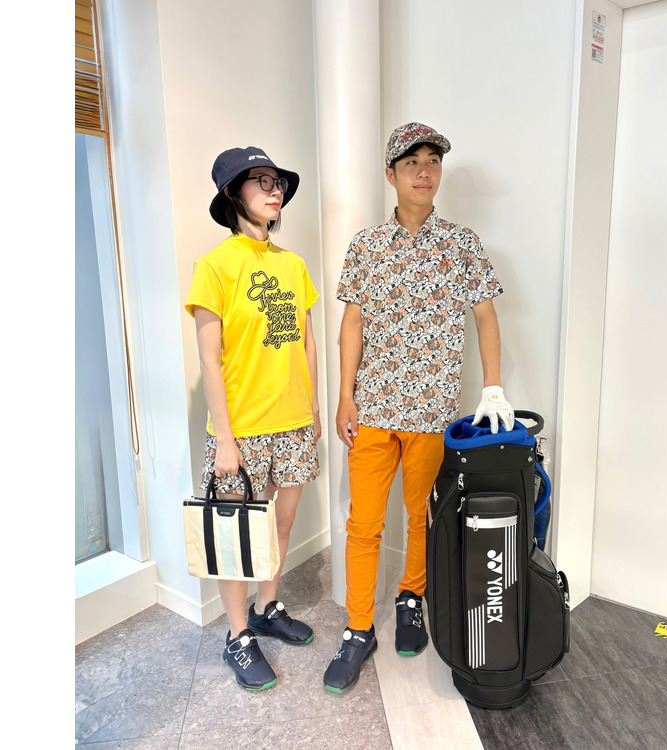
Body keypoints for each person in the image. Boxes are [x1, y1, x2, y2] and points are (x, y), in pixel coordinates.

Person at [323, 123, 514, 693]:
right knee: (363, 524)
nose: (425, 171)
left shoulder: (462, 244)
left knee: (420, 515)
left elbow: (485, 316)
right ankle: (359, 628)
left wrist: (493, 388)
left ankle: (411, 598)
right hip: (374, 409)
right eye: (412, 163)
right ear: (391, 175)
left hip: (432, 411)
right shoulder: (366, 245)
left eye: (433, 161)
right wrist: (345, 394)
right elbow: (352, 323)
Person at [185, 146, 321, 691]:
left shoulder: (292, 264)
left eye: (277, 181)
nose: (274, 189)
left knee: (280, 525)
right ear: (231, 193)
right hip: (241, 431)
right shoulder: (214, 266)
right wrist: (224, 440)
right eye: (260, 181)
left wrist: (312, 409)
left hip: (293, 423)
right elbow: (209, 360)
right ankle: (238, 636)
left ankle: (268, 608)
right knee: (237, 536)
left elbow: (305, 339)